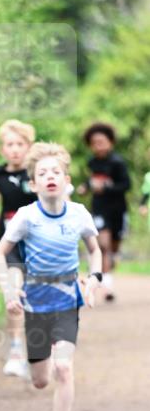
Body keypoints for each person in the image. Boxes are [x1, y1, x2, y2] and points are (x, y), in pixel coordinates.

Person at [0, 142, 102, 411]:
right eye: (43, 173)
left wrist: (93, 279)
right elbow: (0, 253)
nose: (50, 177)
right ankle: (37, 370)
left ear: (66, 179)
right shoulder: (26, 217)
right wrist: (10, 291)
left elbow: (95, 251)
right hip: (36, 304)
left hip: (68, 300)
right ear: (34, 183)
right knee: (41, 379)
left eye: (56, 172)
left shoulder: (80, 213)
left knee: (64, 367)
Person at [0, 119, 37, 378]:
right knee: (13, 296)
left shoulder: (37, 173)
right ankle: (16, 352)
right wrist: (2, 225)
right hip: (9, 246)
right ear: (2, 149)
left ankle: (39, 351)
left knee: (37, 299)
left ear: (29, 147)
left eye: (20, 144)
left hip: (38, 244)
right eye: (9, 144)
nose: (15, 149)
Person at [76, 122, 131, 301]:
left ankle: (110, 265)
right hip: (99, 209)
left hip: (118, 210)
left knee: (113, 247)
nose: (98, 145)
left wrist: (106, 188)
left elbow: (126, 185)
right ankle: (107, 288)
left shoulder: (118, 163)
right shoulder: (92, 163)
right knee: (104, 245)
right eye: (94, 142)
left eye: (101, 141)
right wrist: (85, 187)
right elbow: (90, 182)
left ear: (110, 142)